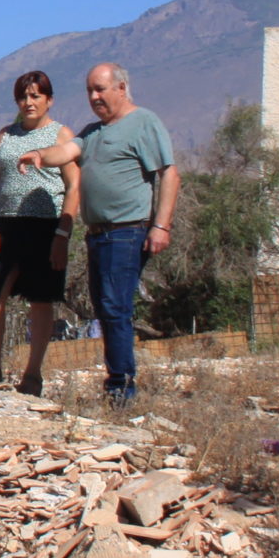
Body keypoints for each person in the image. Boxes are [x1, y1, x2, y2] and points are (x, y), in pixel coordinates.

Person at [68, 62, 180, 404]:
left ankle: (122, 388)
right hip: (98, 234)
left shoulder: (143, 122)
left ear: (121, 87)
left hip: (126, 232)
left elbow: (169, 174)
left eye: (100, 89)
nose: (94, 96)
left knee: (115, 308)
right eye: (89, 90)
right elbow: (67, 151)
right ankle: (118, 380)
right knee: (104, 308)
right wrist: (39, 155)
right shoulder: (92, 132)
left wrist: (161, 225)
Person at [0, 70, 81, 394]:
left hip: (45, 225)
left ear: (49, 99)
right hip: (6, 225)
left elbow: (74, 185)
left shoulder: (61, 135)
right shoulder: (5, 135)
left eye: (35, 95)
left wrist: (63, 234)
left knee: (41, 299)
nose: (29, 102)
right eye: (23, 96)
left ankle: (33, 375)